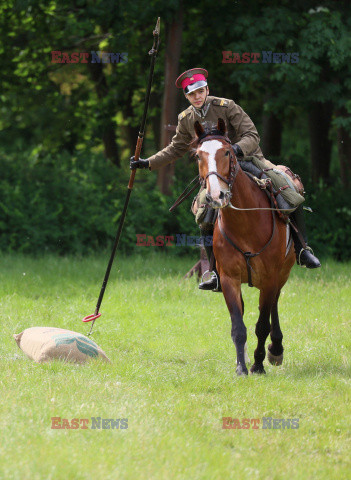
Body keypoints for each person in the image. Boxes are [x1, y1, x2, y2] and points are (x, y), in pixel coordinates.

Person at [130, 68, 321, 291]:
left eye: (200, 91)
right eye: (192, 94)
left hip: (248, 159)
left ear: (207, 89)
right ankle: (215, 272)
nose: (197, 97)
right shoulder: (186, 119)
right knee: (203, 213)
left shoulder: (227, 106)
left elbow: (252, 134)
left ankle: (302, 249)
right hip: (217, 172)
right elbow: (175, 149)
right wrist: (147, 162)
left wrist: (237, 149)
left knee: (287, 189)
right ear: (187, 96)